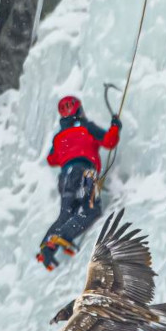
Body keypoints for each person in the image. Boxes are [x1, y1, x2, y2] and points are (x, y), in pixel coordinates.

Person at [37, 95, 122, 270]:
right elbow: (109, 141)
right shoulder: (87, 128)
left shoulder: (59, 137)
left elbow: (52, 159)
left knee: (66, 213)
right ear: (78, 111)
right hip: (85, 172)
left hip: (65, 177)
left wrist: (68, 150)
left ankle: (47, 246)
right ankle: (63, 236)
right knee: (92, 209)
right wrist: (115, 126)